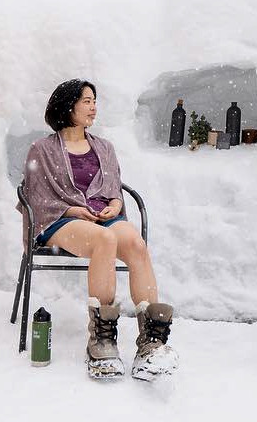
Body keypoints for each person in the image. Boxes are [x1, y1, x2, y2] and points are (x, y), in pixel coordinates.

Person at [22, 79, 178, 380]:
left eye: (94, 101)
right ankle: (102, 339)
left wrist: (117, 205)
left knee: (134, 243)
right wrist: (70, 209)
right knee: (104, 240)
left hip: (103, 216)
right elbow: (36, 196)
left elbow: (114, 189)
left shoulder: (104, 147)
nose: (93, 107)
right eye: (87, 101)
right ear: (68, 105)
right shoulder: (41, 149)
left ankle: (152, 340)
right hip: (60, 219)